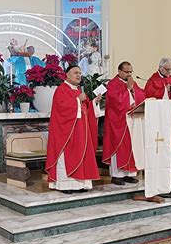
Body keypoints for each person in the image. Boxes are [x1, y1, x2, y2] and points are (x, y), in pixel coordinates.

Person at [45, 65, 101, 194]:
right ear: (67, 75)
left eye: (80, 73)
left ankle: (80, 184)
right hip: (67, 133)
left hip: (81, 132)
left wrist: (94, 103)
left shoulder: (77, 91)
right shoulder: (61, 90)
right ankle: (65, 185)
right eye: (75, 73)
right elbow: (62, 109)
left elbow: (86, 110)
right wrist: (77, 100)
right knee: (67, 158)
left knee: (81, 156)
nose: (78, 75)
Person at [102, 62, 147, 185]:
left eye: (131, 72)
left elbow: (142, 94)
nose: (129, 74)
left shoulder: (132, 83)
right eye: (127, 72)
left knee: (132, 146)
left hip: (132, 120)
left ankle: (129, 174)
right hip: (118, 122)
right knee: (120, 147)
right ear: (119, 71)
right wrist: (128, 89)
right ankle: (117, 175)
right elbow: (115, 101)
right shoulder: (112, 84)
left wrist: (132, 90)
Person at [145, 57, 171, 174]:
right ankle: (162, 164)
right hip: (160, 115)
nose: (169, 72)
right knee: (162, 138)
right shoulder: (153, 79)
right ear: (160, 68)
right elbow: (148, 95)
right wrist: (164, 90)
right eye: (167, 70)